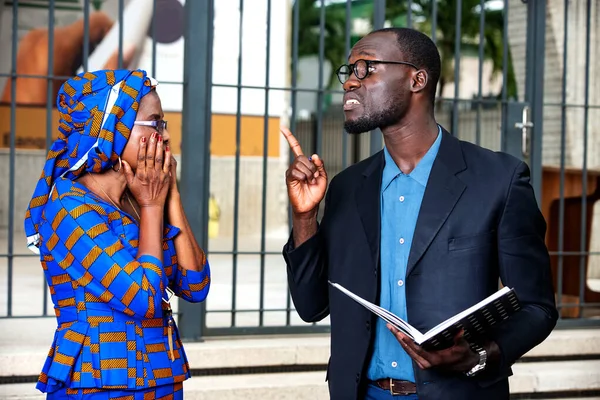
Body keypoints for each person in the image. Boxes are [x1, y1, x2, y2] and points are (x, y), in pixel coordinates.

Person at [281, 27, 558, 400]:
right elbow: (311, 306)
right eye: (348, 72)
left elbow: (537, 307)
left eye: (366, 69)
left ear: (417, 79)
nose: (350, 83)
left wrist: (479, 355)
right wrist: (304, 218)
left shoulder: (499, 180)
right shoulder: (347, 188)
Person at [24, 69, 211, 399]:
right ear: (112, 128)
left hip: (161, 379)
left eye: (165, 124)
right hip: (100, 381)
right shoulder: (69, 207)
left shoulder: (139, 197)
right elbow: (145, 298)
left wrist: (172, 198)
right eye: (155, 124)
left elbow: (195, 285)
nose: (165, 137)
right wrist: (153, 208)